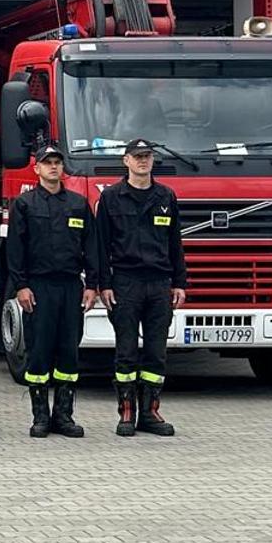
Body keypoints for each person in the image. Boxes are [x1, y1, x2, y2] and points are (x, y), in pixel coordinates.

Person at [93, 138, 187, 437]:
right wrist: (104, 284)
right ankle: (126, 411)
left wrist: (179, 282)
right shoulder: (111, 197)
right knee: (126, 350)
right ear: (126, 161)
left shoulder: (165, 196)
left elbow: (175, 244)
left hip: (159, 283)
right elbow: (100, 245)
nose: (143, 161)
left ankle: (150, 412)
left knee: (157, 352)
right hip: (125, 282)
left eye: (147, 156)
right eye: (137, 157)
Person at [6, 143, 97, 439]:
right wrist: (21, 285)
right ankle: (40, 417)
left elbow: (92, 247)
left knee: (69, 352)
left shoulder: (78, 204)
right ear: (37, 169)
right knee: (39, 353)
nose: (54, 167)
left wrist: (92, 285)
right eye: (47, 163)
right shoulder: (25, 204)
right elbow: (15, 249)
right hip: (39, 287)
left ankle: (64, 415)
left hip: (71, 286)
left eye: (57, 162)